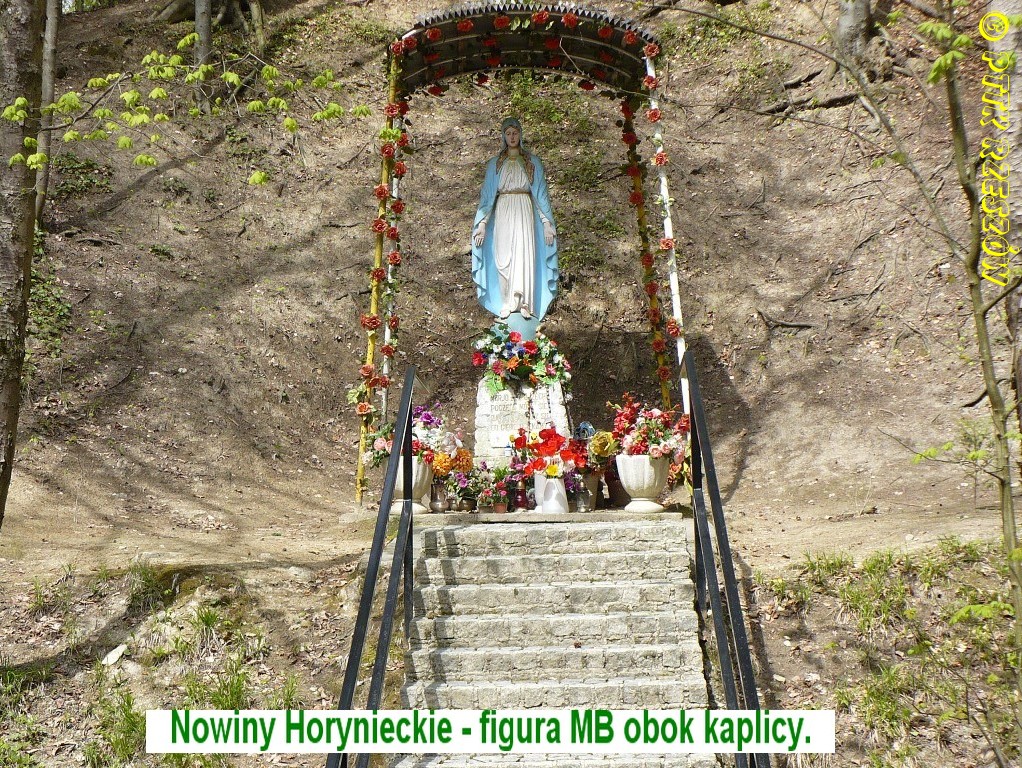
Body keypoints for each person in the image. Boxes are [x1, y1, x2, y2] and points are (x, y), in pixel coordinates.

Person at [471, 118, 558, 321]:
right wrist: (482, 224)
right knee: (503, 257)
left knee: (523, 254)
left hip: (524, 209)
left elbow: (540, 195)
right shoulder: (495, 164)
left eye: (515, 133)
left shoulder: (532, 162)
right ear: (503, 136)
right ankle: (506, 302)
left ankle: (525, 302)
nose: (512, 137)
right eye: (508, 133)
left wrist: (546, 223)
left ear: (521, 135)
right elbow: (487, 197)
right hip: (503, 209)